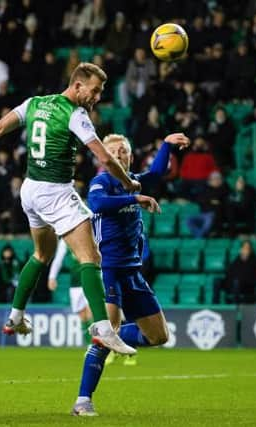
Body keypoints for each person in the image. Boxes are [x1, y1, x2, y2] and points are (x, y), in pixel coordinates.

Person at [0, 62, 147, 355]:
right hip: (56, 192)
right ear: (77, 86)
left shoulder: (34, 104)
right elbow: (106, 159)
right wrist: (129, 184)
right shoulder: (76, 114)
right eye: (95, 91)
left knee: (41, 254)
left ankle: (15, 315)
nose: (97, 97)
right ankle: (103, 328)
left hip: (30, 190)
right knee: (91, 257)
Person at [72, 133, 188, 416]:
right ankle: (82, 401)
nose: (118, 154)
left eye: (123, 150)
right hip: (109, 269)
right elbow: (98, 205)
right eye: (112, 151)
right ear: (104, 158)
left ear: (130, 157)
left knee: (159, 337)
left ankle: (107, 334)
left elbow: (159, 172)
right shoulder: (102, 181)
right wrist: (135, 198)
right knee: (107, 332)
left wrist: (166, 145)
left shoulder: (134, 180)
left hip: (133, 272)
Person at [48, 239, 92, 344]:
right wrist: (52, 277)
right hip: (75, 282)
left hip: (91, 278)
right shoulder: (65, 239)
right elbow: (58, 259)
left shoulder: (91, 233)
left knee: (92, 312)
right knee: (82, 315)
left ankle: (98, 347)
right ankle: (90, 344)